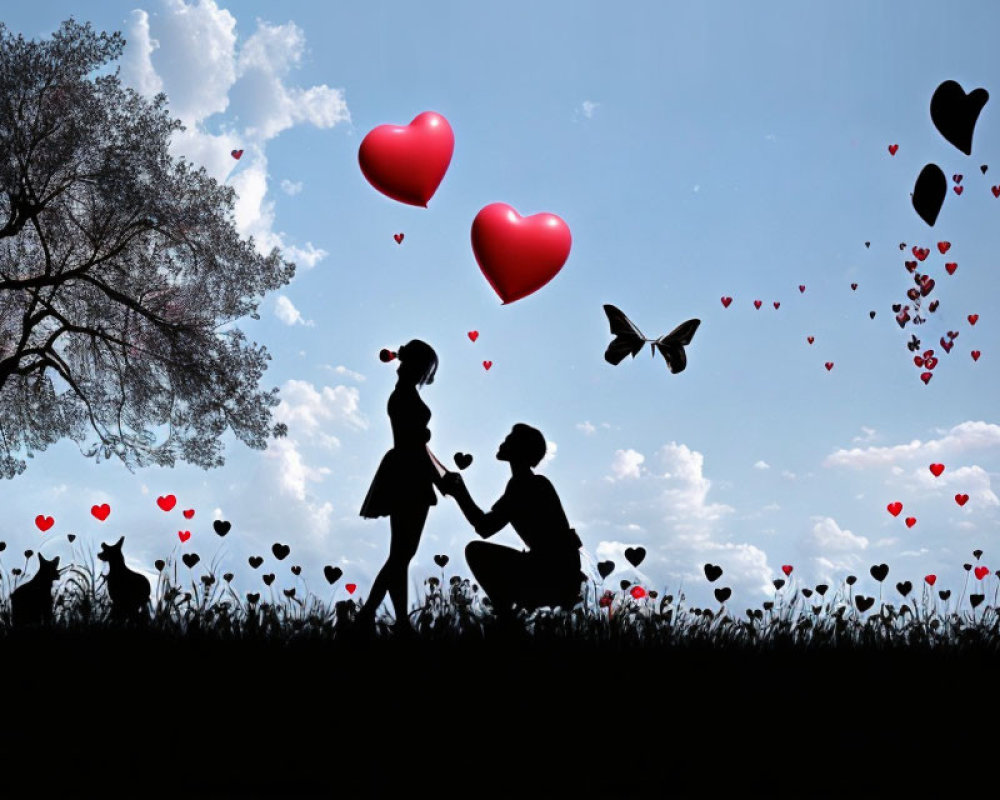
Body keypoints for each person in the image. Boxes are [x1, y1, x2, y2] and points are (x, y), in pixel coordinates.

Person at [440, 423, 585, 619]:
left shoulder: (523, 486)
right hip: (559, 570)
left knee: (475, 551)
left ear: (520, 450)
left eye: (510, 439)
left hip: (550, 573)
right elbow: (486, 524)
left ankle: (505, 617)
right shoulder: (526, 484)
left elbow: (485, 527)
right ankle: (507, 616)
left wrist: (460, 493)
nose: (504, 441)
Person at [359, 339, 447, 632]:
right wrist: (438, 478)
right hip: (410, 472)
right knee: (402, 553)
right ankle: (369, 614)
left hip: (405, 469)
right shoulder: (405, 397)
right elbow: (416, 444)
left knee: (401, 553)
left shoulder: (402, 395)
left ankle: (399, 621)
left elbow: (417, 443)